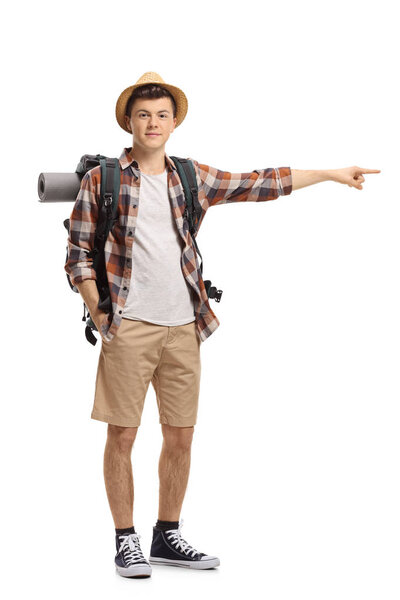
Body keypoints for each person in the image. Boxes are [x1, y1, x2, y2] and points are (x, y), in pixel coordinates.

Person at [64, 72, 381, 579]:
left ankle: (166, 535)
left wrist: (329, 173)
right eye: (143, 114)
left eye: (162, 115)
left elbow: (258, 183)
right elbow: (78, 253)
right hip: (129, 325)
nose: (152, 123)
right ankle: (125, 540)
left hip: (185, 326)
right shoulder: (103, 180)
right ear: (129, 120)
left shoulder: (191, 177)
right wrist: (99, 310)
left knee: (181, 436)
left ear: (174, 122)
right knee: (123, 434)